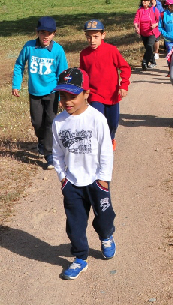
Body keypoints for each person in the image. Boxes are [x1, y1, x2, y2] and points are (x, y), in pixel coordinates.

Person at [52, 68, 116, 280]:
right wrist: (63, 178)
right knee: (75, 224)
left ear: (86, 94)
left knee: (104, 217)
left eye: (73, 96)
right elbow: (57, 153)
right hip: (72, 183)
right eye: (63, 96)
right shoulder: (59, 122)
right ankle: (80, 257)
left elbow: (106, 150)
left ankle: (106, 236)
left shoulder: (97, 119)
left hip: (96, 182)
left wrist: (103, 179)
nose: (67, 101)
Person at [12, 16, 68, 170]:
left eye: (49, 33)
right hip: (34, 92)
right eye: (42, 32)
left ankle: (49, 155)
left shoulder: (57, 50)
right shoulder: (30, 47)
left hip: (52, 92)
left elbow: (63, 73)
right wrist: (16, 84)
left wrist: (63, 94)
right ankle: (42, 141)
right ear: (37, 33)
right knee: (37, 123)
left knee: (50, 121)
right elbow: (19, 65)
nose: (46, 36)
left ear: (54, 34)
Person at [79, 19, 131, 151]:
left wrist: (124, 85)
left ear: (103, 35)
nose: (92, 40)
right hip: (95, 94)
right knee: (99, 121)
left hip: (112, 94)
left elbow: (125, 68)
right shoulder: (84, 54)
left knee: (113, 123)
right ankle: (101, 146)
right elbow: (83, 74)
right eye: (89, 37)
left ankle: (110, 138)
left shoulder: (111, 50)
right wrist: (83, 91)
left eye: (96, 36)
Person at [134, 0, 160, 70]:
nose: (144, 2)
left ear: (149, 2)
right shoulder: (140, 10)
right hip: (143, 33)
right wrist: (136, 27)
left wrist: (155, 24)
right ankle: (153, 61)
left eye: (145, 0)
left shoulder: (154, 9)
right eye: (143, 0)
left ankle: (144, 62)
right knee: (148, 49)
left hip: (152, 32)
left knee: (149, 46)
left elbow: (160, 20)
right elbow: (136, 20)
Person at [158, 0, 173, 73]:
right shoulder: (163, 15)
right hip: (168, 40)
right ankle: (171, 70)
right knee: (170, 55)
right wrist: (165, 34)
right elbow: (160, 27)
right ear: (169, 6)